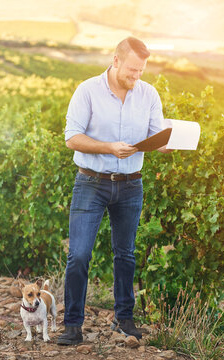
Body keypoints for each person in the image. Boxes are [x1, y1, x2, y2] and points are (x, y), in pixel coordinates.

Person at [57, 36, 171, 345]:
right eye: (132, 69)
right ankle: (72, 325)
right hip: (91, 183)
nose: (137, 76)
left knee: (126, 256)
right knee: (79, 255)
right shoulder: (88, 91)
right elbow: (72, 138)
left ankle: (124, 320)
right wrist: (108, 148)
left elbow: (156, 139)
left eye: (141, 71)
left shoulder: (148, 95)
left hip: (131, 185)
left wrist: (169, 144)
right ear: (116, 60)